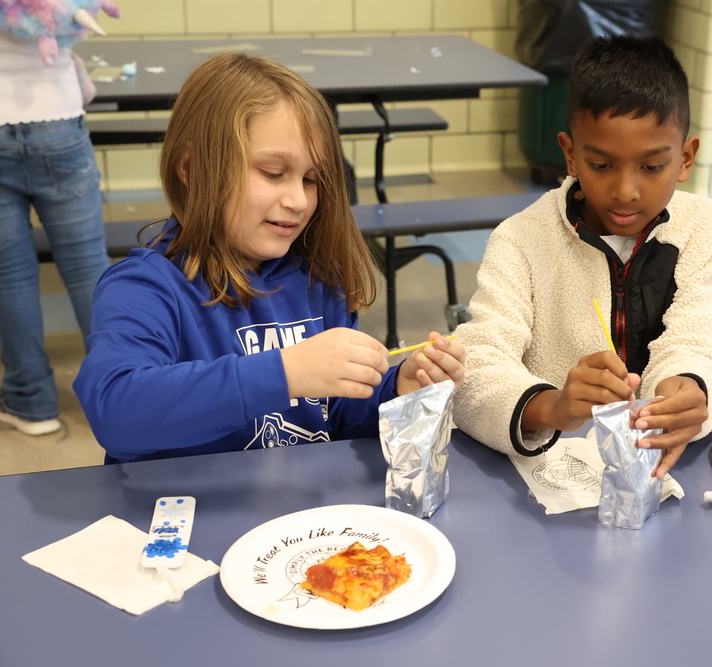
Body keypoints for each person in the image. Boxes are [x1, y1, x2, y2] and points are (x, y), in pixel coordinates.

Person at [74, 53, 465, 463]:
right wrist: (284, 373)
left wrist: (398, 387)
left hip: (300, 520)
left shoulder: (317, 280)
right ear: (192, 169)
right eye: (273, 173)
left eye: (311, 179)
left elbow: (336, 416)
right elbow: (116, 411)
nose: (298, 200)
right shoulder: (145, 288)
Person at [453, 35, 712, 479]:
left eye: (652, 166)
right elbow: (476, 367)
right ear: (570, 154)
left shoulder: (704, 228)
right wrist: (552, 406)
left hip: (664, 466)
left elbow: (699, 344)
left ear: (684, 159)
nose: (626, 191)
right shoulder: (521, 240)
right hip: (550, 472)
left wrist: (689, 389)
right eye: (602, 165)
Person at [0, 11, 114, 436]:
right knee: (87, 267)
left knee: (8, 277)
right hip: (56, 113)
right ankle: (122, 392)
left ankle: (31, 401)